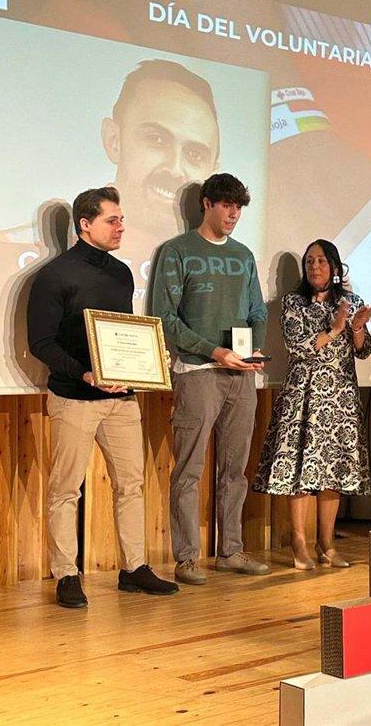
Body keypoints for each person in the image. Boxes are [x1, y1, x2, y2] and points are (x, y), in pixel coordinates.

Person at [27, 186, 178, 608]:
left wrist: (148, 361)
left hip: (121, 398)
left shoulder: (121, 273)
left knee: (132, 484)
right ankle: (67, 575)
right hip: (74, 397)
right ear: (85, 224)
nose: (121, 227)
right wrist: (87, 374)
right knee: (65, 490)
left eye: (122, 219)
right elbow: (41, 343)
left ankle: (133, 569)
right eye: (113, 220)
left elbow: (124, 334)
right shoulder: (54, 276)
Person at [150, 173, 269, 584]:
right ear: (207, 204)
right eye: (226, 205)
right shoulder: (177, 251)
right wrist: (214, 351)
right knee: (189, 468)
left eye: (239, 206)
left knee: (235, 469)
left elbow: (257, 311)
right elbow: (165, 318)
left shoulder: (243, 255)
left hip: (241, 374)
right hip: (197, 371)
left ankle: (231, 551)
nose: (233, 213)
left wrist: (251, 349)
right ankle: (186, 558)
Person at [252, 240, 371, 569]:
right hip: (302, 396)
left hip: (339, 398)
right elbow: (298, 346)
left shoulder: (352, 301)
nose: (315, 267)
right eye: (309, 262)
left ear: (334, 266)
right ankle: (299, 543)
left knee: (332, 471)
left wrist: (358, 329)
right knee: (299, 471)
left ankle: (328, 544)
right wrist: (335, 330)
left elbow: (363, 351)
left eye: (321, 261)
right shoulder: (294, 302)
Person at [101, 59, 220, 237]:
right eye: (157, 139)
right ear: (114, 140)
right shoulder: (66, 252)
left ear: (212, 173)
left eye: (195, 155)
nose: (175, 169)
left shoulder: (224, 260)